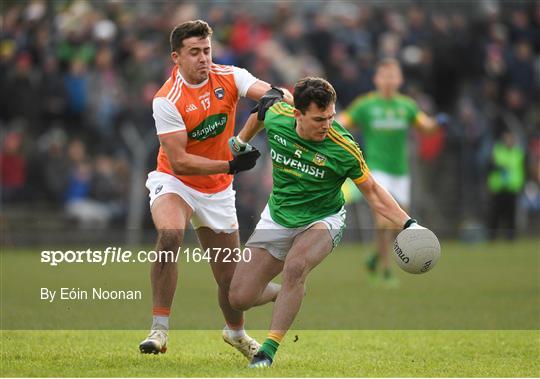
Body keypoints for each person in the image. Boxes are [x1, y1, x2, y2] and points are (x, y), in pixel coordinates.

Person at [227, 77, 421, 368]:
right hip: (278, 216)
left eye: (330, 116)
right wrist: (241, 142)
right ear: (297, 114)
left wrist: (409, 225)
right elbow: (262, 110)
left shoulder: (343, 147)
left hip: (323, 219)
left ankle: (267, 352)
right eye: (319, 119)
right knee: (239, 298)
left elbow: (374, 192)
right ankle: (287, 294)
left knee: (295, 267)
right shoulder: (279, 117)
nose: (327, 124)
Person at [139, 19, 290, 359]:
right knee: (170, 235)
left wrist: (276, 96)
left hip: (218, 190)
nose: (203, 58)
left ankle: (236, 334)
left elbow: (274, 93)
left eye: (207, 50)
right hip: (175, 181)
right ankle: (159, 330)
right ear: (176, 57)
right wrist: (230, 165)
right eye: (194, 52)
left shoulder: (230, 76)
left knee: (233, 286)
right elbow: (179, 161)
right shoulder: (167, 99)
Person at [338, 58, 444, 287]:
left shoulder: (406, 105)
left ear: (400, 79)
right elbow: (343, 121)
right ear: (376, 79)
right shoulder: (365, 105)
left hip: (400, 172)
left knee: (399, 225)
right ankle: (385, 271)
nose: (388, 80)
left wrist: (438, 123)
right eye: (384, 75)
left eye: (392, 75)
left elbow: (425, 127)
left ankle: (375, 257)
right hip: (376, 170)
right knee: (383, 220)